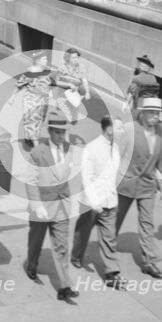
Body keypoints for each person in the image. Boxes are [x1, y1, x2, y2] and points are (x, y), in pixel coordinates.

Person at [24, 112, 81, 303]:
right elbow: (30, 181)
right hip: (41, 205)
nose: (59, 136)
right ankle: (31, 264)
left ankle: (64, 286)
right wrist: (36, 204)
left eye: (62, 133)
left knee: (61, 246)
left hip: (61, 205)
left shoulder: (69, 149)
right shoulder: (38, 152)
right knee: (36, 241)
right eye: (56, 132)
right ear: (49, 132)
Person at [116, 97, 162, 278]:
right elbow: (116, 154)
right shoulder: (130, 129)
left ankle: (149, 261)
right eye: (152, 112)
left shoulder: (160, 132)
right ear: (142, 113)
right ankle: (106, 247)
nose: (155, 116)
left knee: (147, 224)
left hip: (147, 185)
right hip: (126, 183)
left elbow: (160, 160)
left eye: (157, 112)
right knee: (114, 220)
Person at [71, 116, 125, 289]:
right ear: (109, 129)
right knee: (83, 233)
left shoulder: (115, 147)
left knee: (109, 237)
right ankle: (76, 255)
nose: (122, 131)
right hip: (91, 202)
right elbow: (86, 177)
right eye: (120, 127)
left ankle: (112, 273)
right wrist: (93, 201)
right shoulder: (92, 148)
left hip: (110, 201)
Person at [11, 50, 57, 147]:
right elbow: (19, 84)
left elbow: (51, 83)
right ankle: (37, 147)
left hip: (43, 101)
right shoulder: (30, 72)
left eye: (46, 59)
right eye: (44, 59)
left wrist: (51, 92)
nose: (46, 61)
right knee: (31, 120)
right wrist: (13, 97)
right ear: (37, 61)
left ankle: (29, 138)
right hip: (31, 99)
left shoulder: (47, 72)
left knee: (40, 121)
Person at [55, 47, 91, 124]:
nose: (76, 59)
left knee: (73, 119)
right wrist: (68, 84)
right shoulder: (62, 68)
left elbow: (84, 79)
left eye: (77, 57)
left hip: (74, 95)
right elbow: (57, 82)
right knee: (65, 116)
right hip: (62, 95)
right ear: (68, 58)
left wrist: (87, 92)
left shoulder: (81, 67)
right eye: (73, 57)